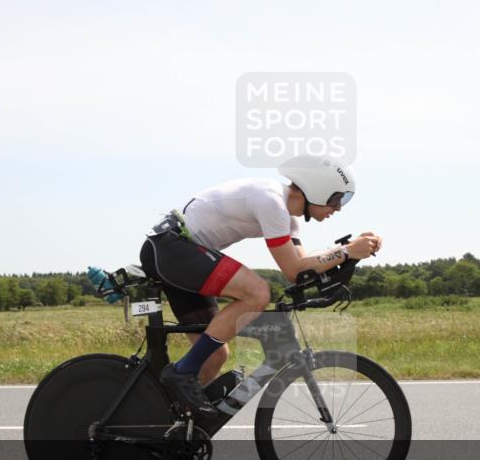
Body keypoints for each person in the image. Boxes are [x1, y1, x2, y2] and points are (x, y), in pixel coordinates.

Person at [139, 156, 382, 417]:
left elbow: (301, 268)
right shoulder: (271, 201)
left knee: (214, 356)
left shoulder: (288, 219)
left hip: (180, 255)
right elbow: (294, 269)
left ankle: (168, 425)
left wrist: (349, 253)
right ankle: (182, 372)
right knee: (257, 293)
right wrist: (346, 251)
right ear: (317, 188)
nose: (338, 208)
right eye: (337, 199)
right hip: (171, 249)